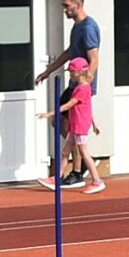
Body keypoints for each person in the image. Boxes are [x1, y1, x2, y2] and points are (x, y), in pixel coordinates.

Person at [34, 0, 103, 188]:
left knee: (70, 125)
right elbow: (69, 52)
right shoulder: (77, 27)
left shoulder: (89, 27)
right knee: (60, 123)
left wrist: (86, 84)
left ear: (78, 5)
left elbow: (94, 58)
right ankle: (82, 162)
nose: (64, 9)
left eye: (66, 6)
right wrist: (48, 72)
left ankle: (77, 171)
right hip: (74, 84)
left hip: (81, 87)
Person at [42, 55, 107, 194]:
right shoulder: (82, 87)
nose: (70, 75)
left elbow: (70, 104)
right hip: (74, 124)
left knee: (84, 152)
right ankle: (57, 177)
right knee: (65, 152)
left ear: (80, 72)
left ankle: (97, 181)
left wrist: (51, 113)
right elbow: (89, 108)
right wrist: (94, 123)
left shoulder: (82, 89)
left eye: (72, 72)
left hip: (79, 125)